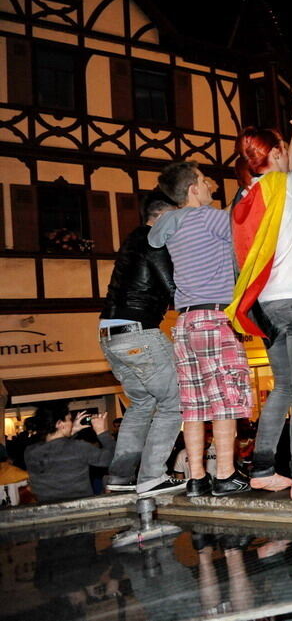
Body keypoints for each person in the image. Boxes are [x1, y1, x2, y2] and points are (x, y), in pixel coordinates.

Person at [227, 98, 292, 501]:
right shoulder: (286, 186)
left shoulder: (244, 198)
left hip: (267, 305)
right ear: (273, 153)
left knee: (284, 388)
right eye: (282, 150)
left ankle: (264, 469)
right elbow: (291, 168)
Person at [150, 161, 253, 497]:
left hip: (184, 323)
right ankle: (224, 474)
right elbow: (250, 236)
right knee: (225, 399)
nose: (211, 184)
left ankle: (196, 477)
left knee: (194, 405)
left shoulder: (169, 224)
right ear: (193, 189)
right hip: (213, 318)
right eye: (205, 180)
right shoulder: (211, 218)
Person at [99, 190, 185, 498]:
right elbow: (175, 290)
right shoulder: (155, 239)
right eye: (177, 218)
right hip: (139, 332)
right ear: (162, 216)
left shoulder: (132, 239)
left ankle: (121, 476)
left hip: (110, 334)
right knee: (175, 402)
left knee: (142, 404)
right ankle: (152, 476)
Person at [23, 403, 115, 503]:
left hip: (47, 511)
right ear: (59, 423)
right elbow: (112, 459)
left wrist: (71, 432)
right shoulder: (79, 447)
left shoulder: (30, 452)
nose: (71, 423)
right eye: (69, 419)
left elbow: (58, 450)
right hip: (79, 509)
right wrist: (102, 432)